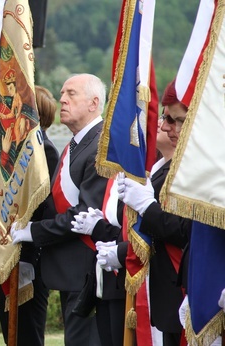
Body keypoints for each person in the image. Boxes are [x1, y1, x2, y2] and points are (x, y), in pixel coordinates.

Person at [11, 73, 108, 345]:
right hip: (71, 271)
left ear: (93, 103)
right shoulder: (77, 144)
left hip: (87, 269)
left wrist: (32, 231)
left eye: (71, 94)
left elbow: (84, 214)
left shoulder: (99, 145)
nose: (62, 99)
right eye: (62, 93)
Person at [115, 79, 191, 345]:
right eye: (165, 118)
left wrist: (147, 207)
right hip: (165, 290)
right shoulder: (169, 168)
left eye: (176, 120)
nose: (166, 126)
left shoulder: (196, 172)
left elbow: (185, 231)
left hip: (183, 287)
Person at [0, 85, 59, 345]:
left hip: (28, 258)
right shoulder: (14, 154)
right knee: (11, 334)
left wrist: (26, 255)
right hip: (5, 254)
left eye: (20, 109)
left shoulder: (46, 152)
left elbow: (39, 207)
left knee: (27, 333)